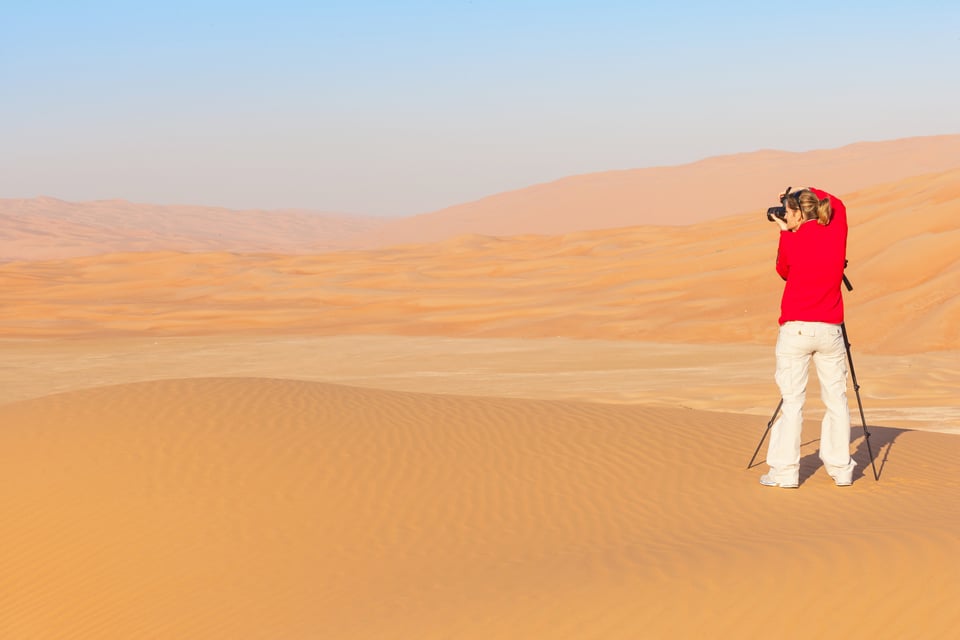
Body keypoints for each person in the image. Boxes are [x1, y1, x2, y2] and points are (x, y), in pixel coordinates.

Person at [761, 187, 856, 488]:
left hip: (796, 330)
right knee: (836, 400)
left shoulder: (791, 238)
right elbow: (837, 204)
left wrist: (786, 232)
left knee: (792, 402)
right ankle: (842, 470)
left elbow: (783, 270)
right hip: (830, 330)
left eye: (788, 213)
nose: (784, 218)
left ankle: (785, 472)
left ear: (800, 213)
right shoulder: (836, 231)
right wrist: (803, 191)